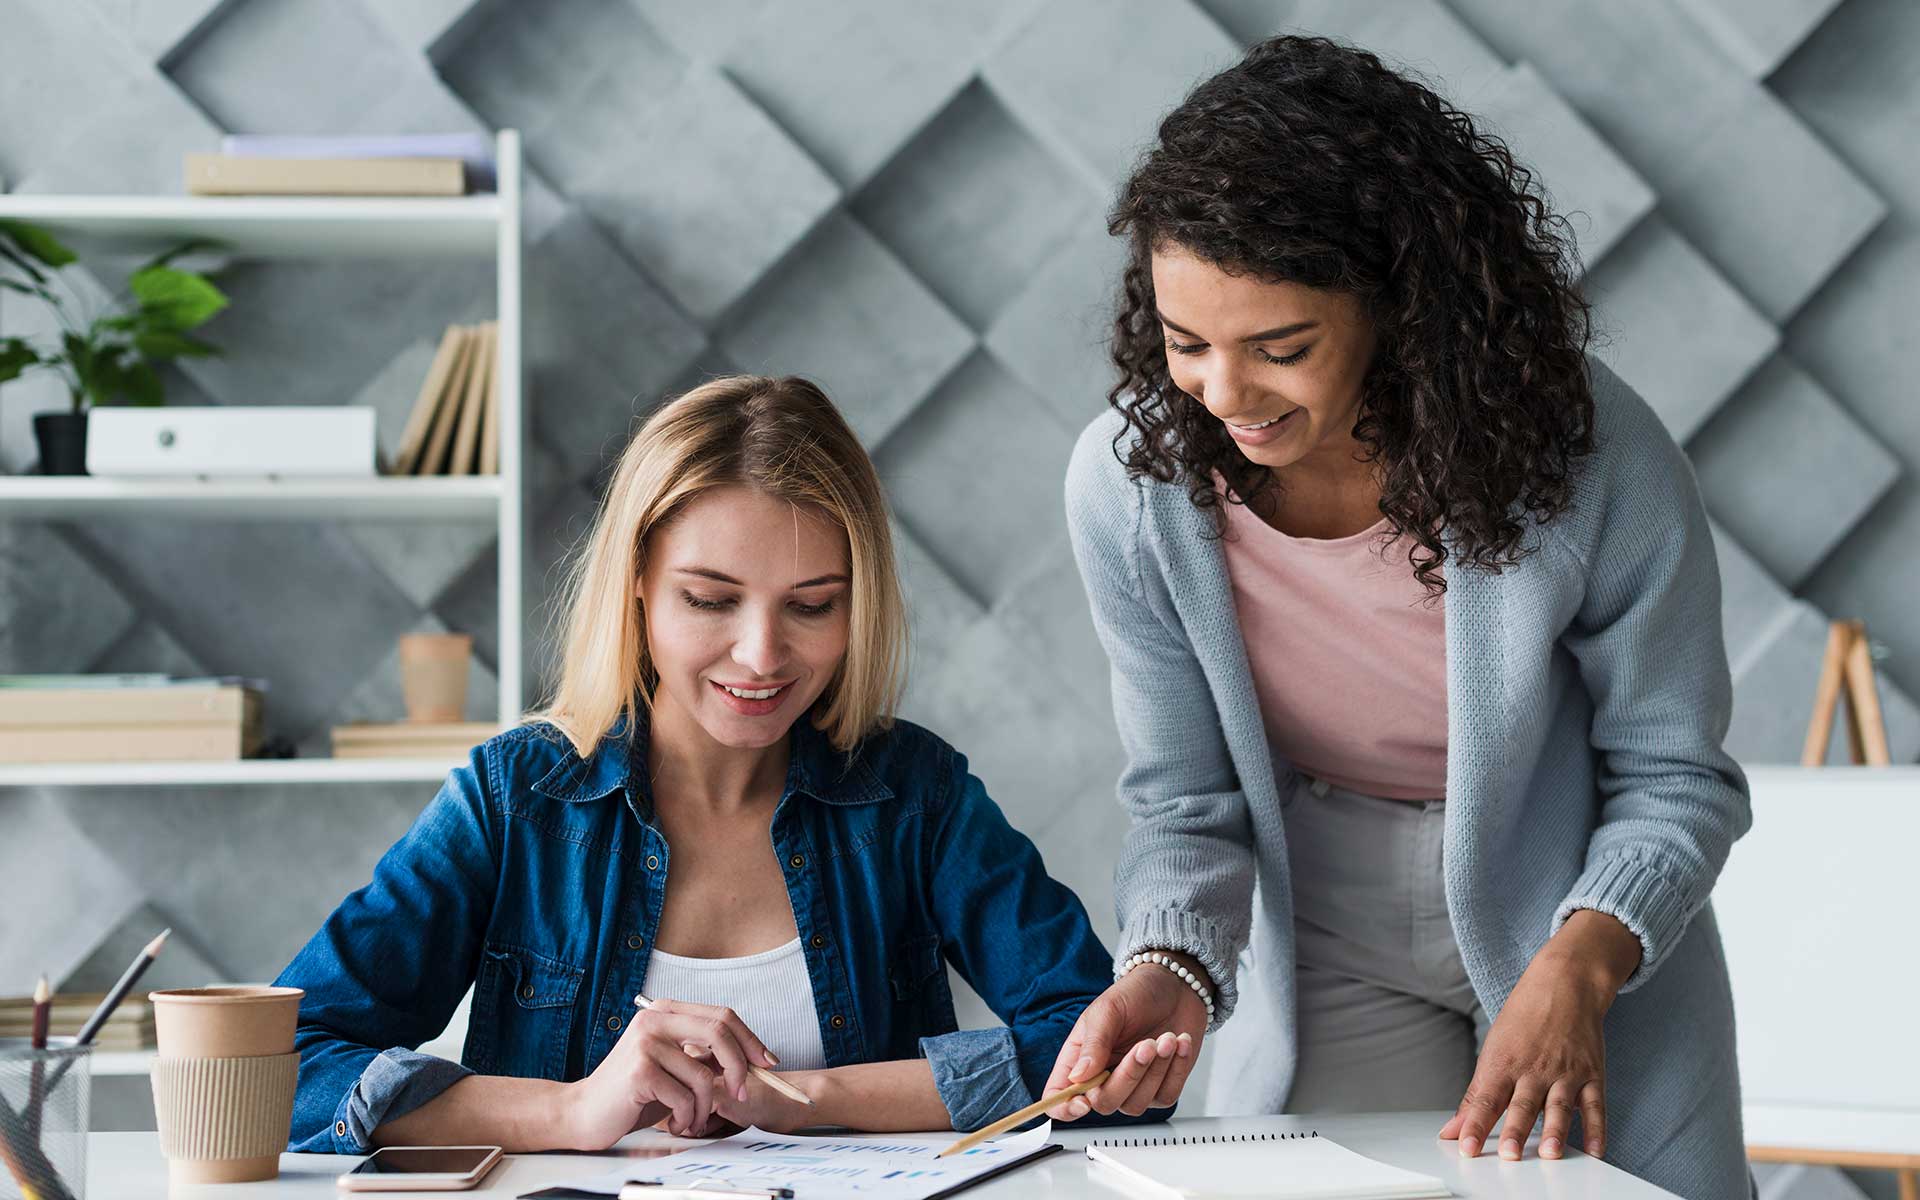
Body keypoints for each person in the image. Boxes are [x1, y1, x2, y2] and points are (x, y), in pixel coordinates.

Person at [1045, 35, 1752, 1200]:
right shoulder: (1131, 492)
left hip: (1574, 913)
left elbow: (1675, 775)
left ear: (1397, 307)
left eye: (1281, 349)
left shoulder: (1581, 454)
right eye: (1186, 345)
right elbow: (1185, 799)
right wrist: (1169, 960)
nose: (1224, 397)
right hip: (1323, 920)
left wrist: (1580, 968)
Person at [276, 376, 1181, 1153]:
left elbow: (1088, 1043)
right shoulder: (516, 800)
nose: (761, 656)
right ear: (636, 582)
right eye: (710, 599)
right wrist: (578, 1109)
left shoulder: (914, 796)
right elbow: (282, 1065)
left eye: (812, 606)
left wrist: (801, 1100)